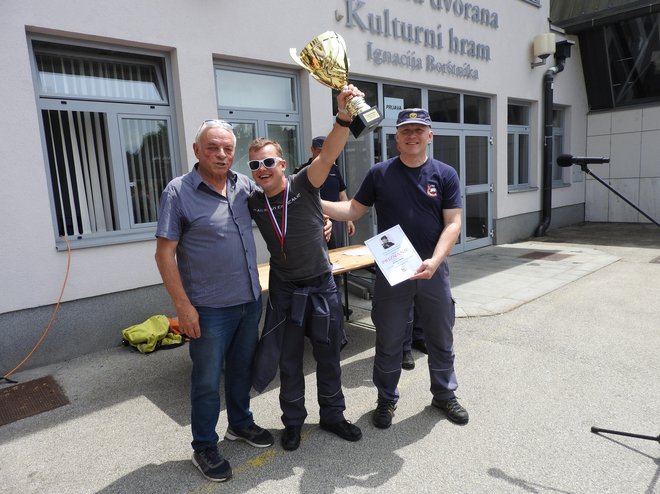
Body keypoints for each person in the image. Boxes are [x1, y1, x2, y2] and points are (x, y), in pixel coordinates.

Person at [322, 108, 469, 428]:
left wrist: (436, 259)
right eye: (406, 131)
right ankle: (386, 398)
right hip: (394, 270)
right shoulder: (380, 173)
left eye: (419, 130)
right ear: (397, 138)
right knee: (388, 338)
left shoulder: (445, 174)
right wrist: (314, 201)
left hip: (433, 268)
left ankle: (444, 394)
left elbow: (454, 223)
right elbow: (352, 210)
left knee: (440, 336)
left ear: (430, 135)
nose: (412, 135)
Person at [154, 119, 274, 483]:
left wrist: (320, 222)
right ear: (197, 151)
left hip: (248, 300)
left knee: (241, 369)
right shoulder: (178, 192)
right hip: (207, 308)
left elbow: (280, 202)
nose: (221, 155)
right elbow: (164, 255)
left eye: (227, 149)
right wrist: (182, 306)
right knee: (206, 380)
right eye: (213, 148)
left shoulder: (244, 185)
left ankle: (239, 424)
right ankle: (204, 445)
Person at [248, 85, 364, 452]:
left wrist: (344, 115)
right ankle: (293, 422)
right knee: (289, 361)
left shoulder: (304, 183)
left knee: (329, 355)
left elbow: (329, 152)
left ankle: (332, 415)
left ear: (282, 164)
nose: (262, 169)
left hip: (321, 285)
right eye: (255, 165)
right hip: (284, 289)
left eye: (269, 162)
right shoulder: (251, 201)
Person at [295, 135, 356, 317]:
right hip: (314, 225)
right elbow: (298, 202)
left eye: (327, 151)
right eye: (320, 151)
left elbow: (342, 194)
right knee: (317, 265)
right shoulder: (302, 171)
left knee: (337, 265)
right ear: (313, 150)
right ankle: (317, 308)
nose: (324, 155)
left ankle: (336, 303)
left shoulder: (335, 169)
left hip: (335, 222)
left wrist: (349, 219)